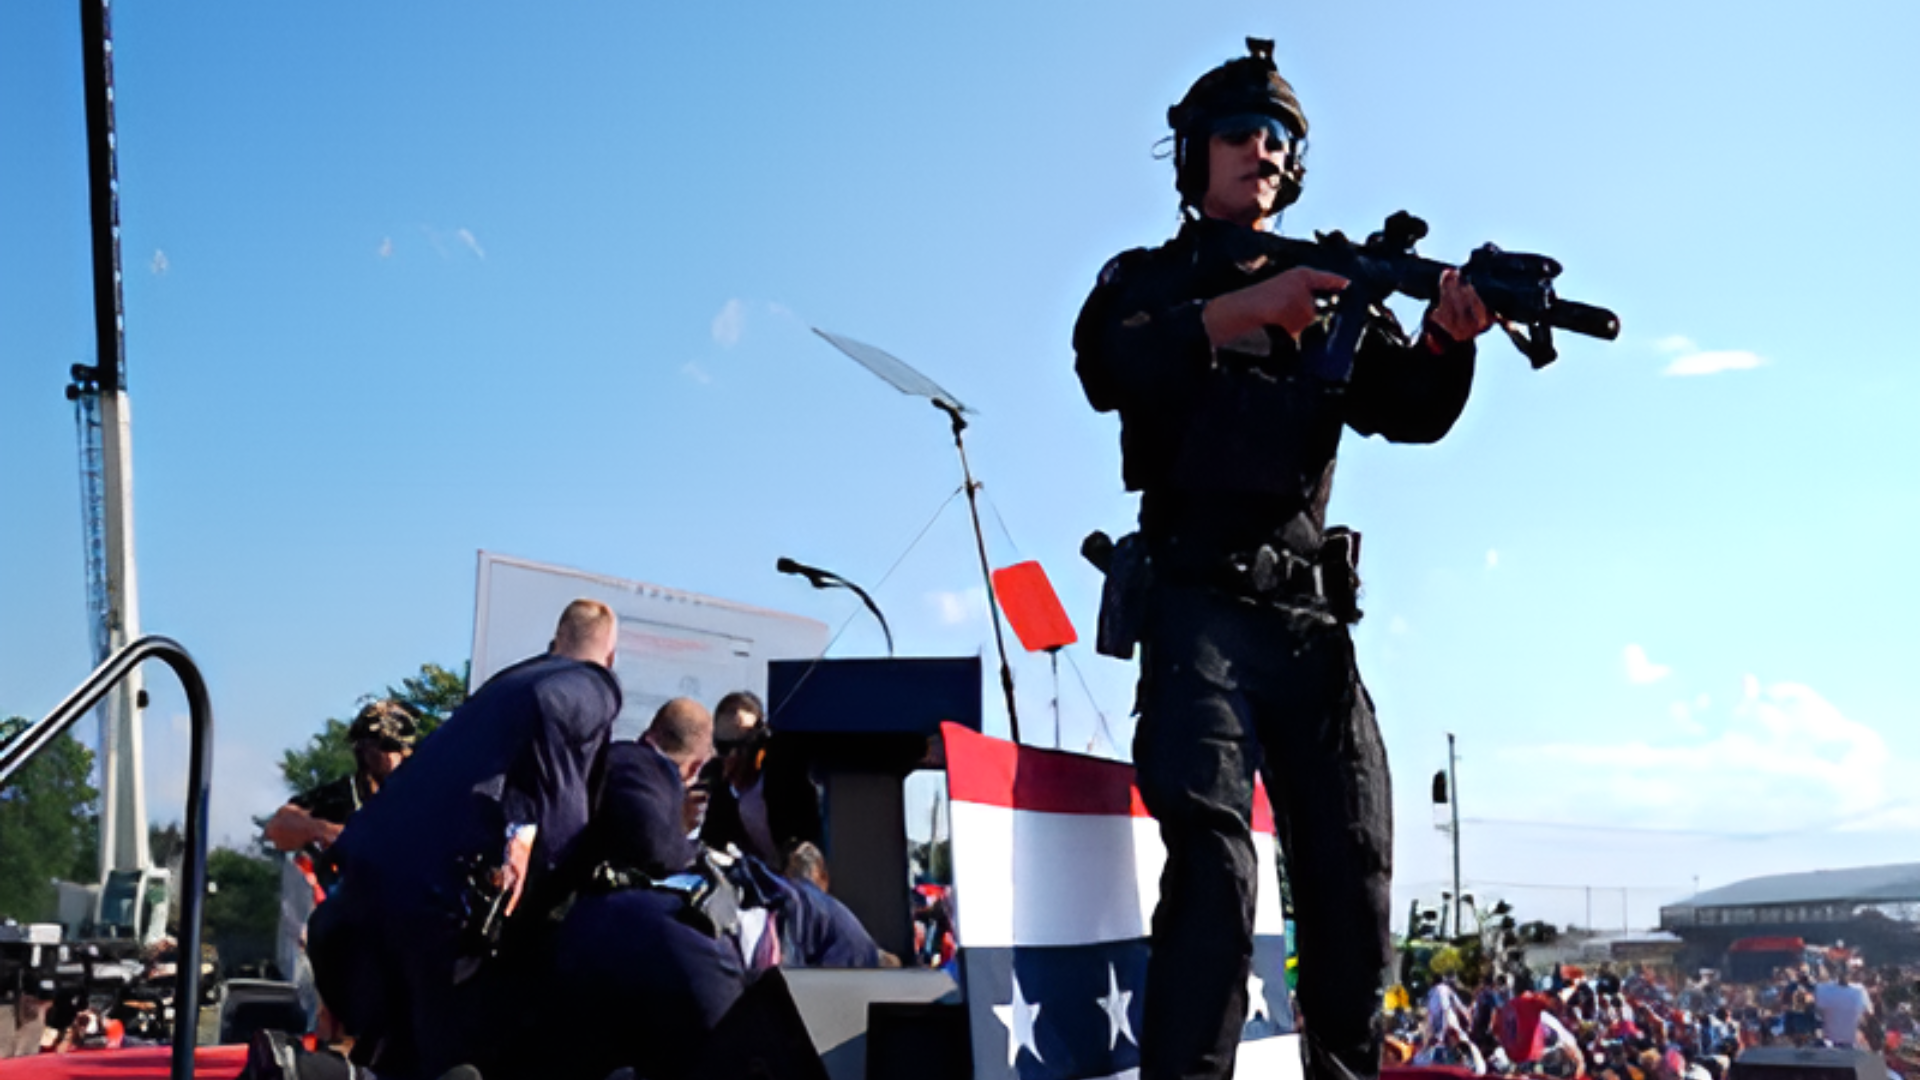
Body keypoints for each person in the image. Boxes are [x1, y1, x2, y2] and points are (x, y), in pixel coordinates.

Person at [1072, 38, 1492, 1080]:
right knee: (1215, 876)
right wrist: (1242, 312)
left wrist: (1450, 335)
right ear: (1192, 153)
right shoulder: (1148, 281)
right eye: (1240, 132)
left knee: (1354, 874)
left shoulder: (1335, 285)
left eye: (1279, 137)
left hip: (1309, 622)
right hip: (1197, 605)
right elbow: (1104, 363)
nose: (1262, 149)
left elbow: (1409, 410)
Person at [309, 598, 623, 1080]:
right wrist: (557, 893)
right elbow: (560, 767)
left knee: (396, 1057)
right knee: (455, 1058)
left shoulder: (503, 687)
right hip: (438, 907)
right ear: (610, 657)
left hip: (364, 891)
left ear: (554, 643)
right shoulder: (589, 686)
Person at [264, 699, 419, 885]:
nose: (396, 757)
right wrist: (327, 832)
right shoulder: (341, 796)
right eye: (386, 746)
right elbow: (277, 827)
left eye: (402, 748)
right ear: (363, 747)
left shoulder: (421, 800)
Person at [698, 690, 821, 863]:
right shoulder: (721, 791)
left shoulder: (787, 782)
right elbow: (711, 842)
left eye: (744, 745)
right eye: (724, 747)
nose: (734, 756)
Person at [1813, 962, 1871, 1048]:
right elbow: (1869, 1013)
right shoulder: (1859, 991)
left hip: (1843, 1043)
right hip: (1835, 1043)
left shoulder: (1859, 991)